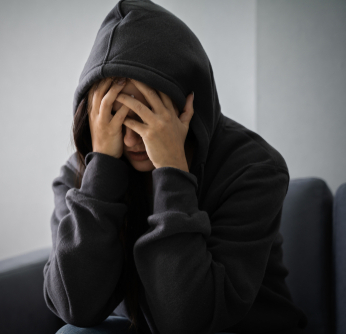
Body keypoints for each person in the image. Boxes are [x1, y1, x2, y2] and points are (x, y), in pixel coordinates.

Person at [43, 0, 309, 333]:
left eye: (146, 116)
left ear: (188, 106)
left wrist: (171, 173)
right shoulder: (80, 176)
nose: (130, 140)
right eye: (115, 116)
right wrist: (102, 176)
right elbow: (75, 309)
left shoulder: (254, 167)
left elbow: (188, 321)